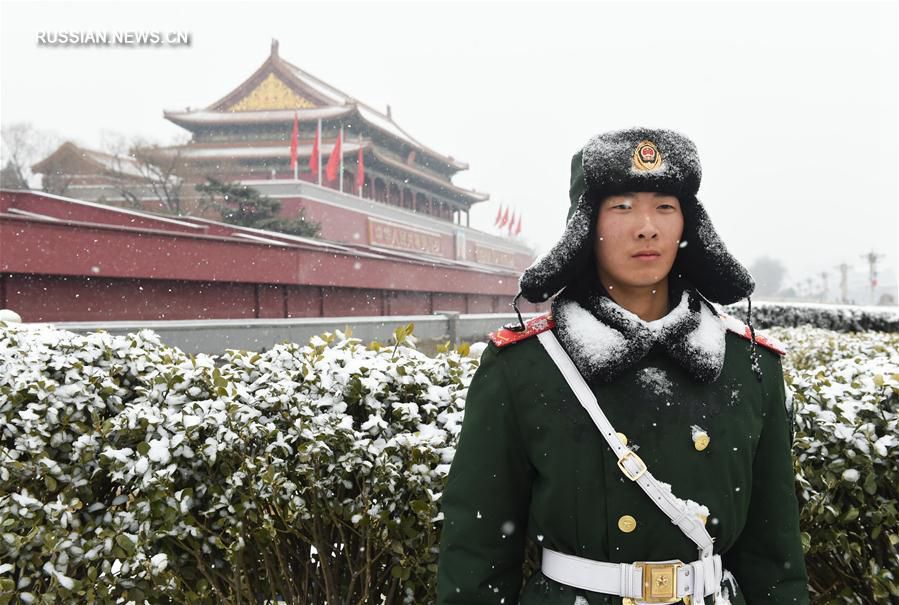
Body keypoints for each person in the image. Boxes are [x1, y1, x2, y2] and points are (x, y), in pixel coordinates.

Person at [435, 128, 809, 605]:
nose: (646, 227)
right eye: (623, 207)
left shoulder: (747, 363)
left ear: (688, 226)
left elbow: (774, 553)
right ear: (586, 225)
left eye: (665, 207)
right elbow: (477, 550)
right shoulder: (527, 366)